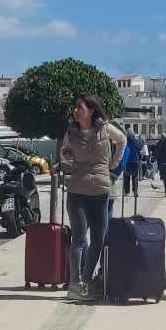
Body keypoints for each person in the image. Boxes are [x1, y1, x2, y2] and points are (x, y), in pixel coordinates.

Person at [56, 95, 125, 301]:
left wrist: (114, 163)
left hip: (100, 191)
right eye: (75, 108)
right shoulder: (71, 132)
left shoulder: (105, 128)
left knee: (98, 239)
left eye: (80, 107)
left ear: (92, 110)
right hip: (78, 189)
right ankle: (75, 284)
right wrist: (69, 158)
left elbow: (122, 140)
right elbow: (64, 153)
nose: (76, 111)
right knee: (79, 238)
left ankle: (84, 281)